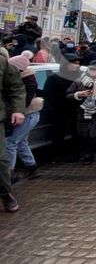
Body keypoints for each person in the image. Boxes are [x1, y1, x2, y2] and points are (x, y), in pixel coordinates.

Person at [5, 54, 42, 183]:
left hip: (27, 115)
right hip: (28, 114)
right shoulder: (26, 79)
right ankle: (31, 167)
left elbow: (23, 101)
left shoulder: (26, 82)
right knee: (20, 142)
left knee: (10, 142)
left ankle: (8, 174)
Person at [44, 54, 83, 163]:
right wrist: (54, 108)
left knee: (76, 133)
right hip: (59, 111)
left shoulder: (79, 77)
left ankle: (76, 154)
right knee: (58, 134)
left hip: (75, 109)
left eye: (78, 63)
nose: (77, 65)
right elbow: (48, 95)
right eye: (74, 63)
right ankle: (57, 156)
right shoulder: (54, 78)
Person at [0, 55, 26, 212]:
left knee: (1, 161)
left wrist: (18, 109)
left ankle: (5, 193)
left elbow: (15, 86)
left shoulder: (1, 61)